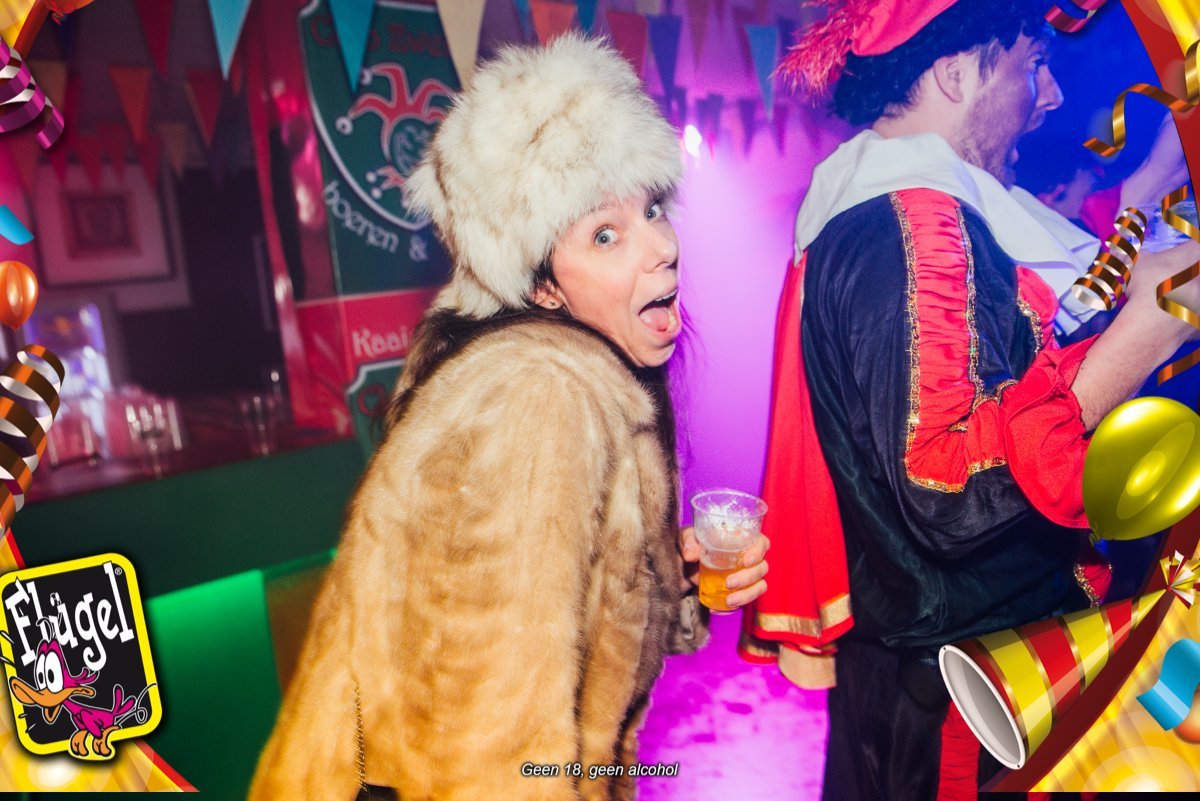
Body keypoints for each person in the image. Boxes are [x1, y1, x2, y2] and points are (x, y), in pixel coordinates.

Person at [248, 35, 768, 801]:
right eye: (604, 234)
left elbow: (575, 622)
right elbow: (486, 747)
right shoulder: (536, 397)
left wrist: (677, 576)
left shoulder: (574, 377)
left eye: (653, 209)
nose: (662, 246)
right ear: (543, 288)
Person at [737, 1, 1200, 798]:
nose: (1050, 96)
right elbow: (943, 481)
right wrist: (1144, 337)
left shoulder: (921, 205)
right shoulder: (912, 222)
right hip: (962, 694)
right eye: (1032, 66)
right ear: (956, 73)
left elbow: (1039, 345)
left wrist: (1140, 193)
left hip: (945, 672)